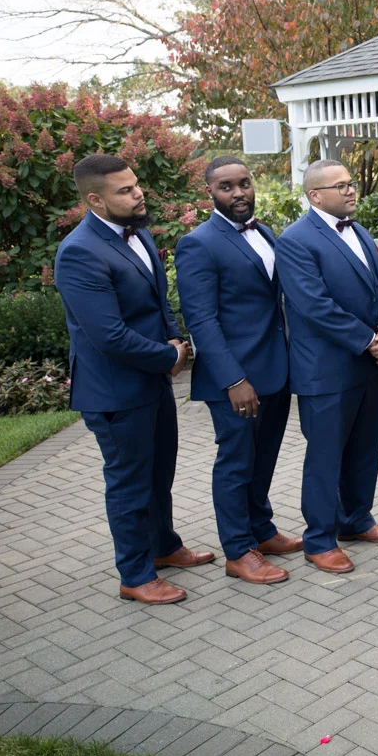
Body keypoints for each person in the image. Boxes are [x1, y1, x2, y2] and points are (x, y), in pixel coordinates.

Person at [54, 153, 206, 604]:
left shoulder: (137, 232)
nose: (138, 194)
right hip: (115, 391)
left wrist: (175, 339)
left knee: (159, 474)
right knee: (129, 485)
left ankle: (163, 546)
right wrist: (169, 356)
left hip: (152, 382)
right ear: (95, 200)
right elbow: (108, 336)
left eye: (136, 184)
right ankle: (136, 576)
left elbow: (158, 303)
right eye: (125, 190)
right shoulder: (79, 252)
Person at [174, 156, 301, 585]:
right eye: (226, 187)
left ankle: (261, 529)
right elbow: (202, 320)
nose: (238, 193)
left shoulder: (264, 232)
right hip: (235, 380)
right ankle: (239, 550)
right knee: (235, 464)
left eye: (244, 183)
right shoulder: (198, 243)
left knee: (263, 459)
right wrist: (234, 379)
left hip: (275, 370)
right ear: (209, 192)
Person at [275, 159, 378, 574]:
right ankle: (319, 539)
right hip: (326, 371)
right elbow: (314, 306)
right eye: (341, 185)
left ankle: (356, 520)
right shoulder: (295, 241)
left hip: (369, 365)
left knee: (365, 449)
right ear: (315, 196)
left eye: (350, 184)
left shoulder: (359, 231)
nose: (350, 190)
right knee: (325, 457)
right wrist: (369, 340)